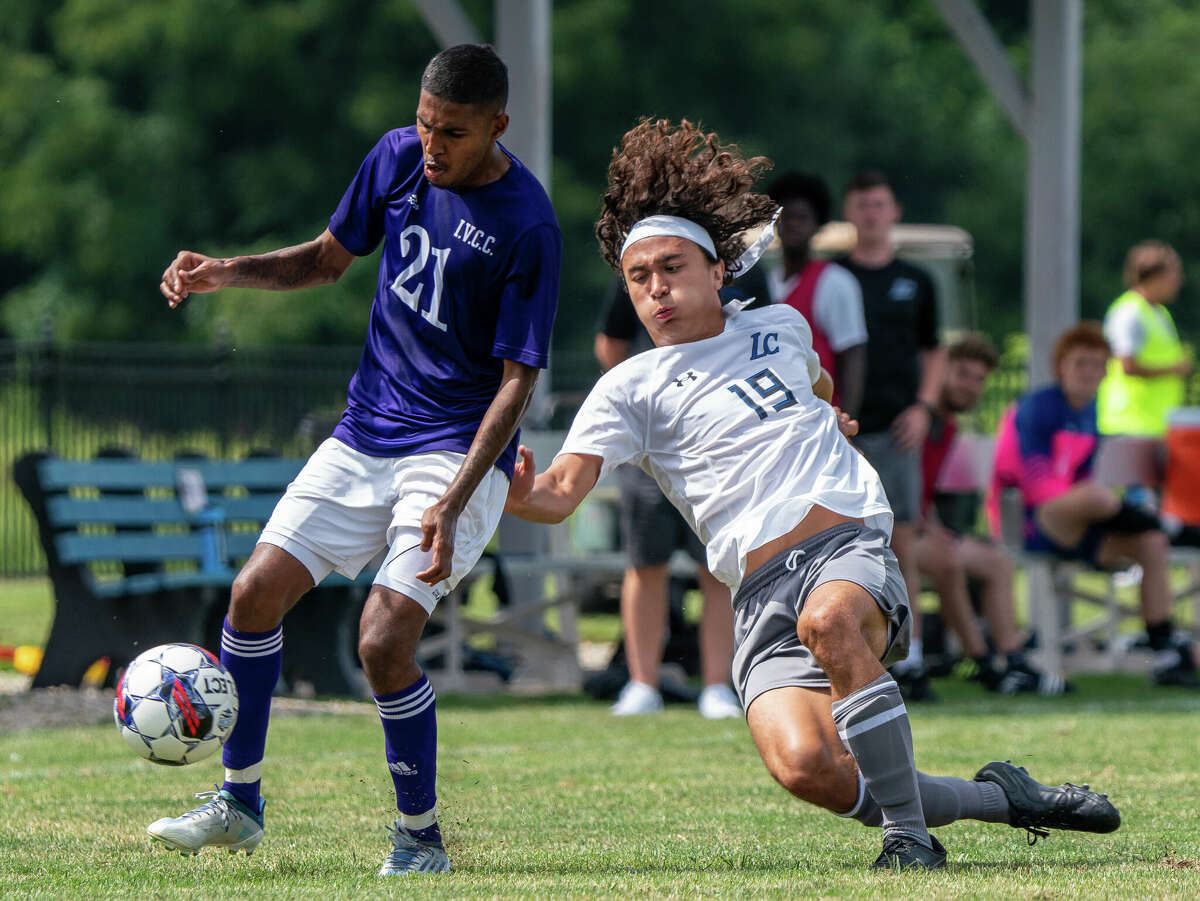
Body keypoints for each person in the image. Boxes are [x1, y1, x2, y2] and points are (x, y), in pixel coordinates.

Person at [505, 117, 1120, 870]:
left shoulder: (780, 326)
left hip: (845, 547)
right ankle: (1005, 797)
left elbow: (820, 385)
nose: (656, 287)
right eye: (639, 277)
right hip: (758, 596)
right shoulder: (627, 387)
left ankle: (908, 842)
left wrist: (828, 409)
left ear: (718, 269)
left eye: (672, 266)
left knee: (831, 620)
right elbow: (561, 493)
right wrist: (516, 489)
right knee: (811, 767)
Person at [150, 44, 562, 875]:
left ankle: (420, 838)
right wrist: (225, 272)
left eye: (452, 132)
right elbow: (325, 259)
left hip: (451, 450)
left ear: (497, 127)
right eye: (423, 122)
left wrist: (453, 497)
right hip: (366, 430)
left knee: (382, 639)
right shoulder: (397, 159)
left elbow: (518, 382)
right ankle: (239, 803)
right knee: (254, 592)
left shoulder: (529, 223)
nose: (432, 144)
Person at [992, 323, 1198, 687]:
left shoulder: (1090, 412)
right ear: (1062, 367)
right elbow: (1038, 485)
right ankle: (1166, 522)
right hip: (1037, 522)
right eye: (1080, 363)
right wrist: (1097, 502)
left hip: (1082, 524)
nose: (1089, 372)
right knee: (1098, 495)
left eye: (1097, 364)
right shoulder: (1036, 408)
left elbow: (1082, 475)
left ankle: (1165, 649)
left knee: (1151, 544)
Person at [595, 276, 761, 719]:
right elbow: (610, 344)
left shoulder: (747, 275)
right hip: (650, 445)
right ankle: (642, 683)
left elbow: (757, 347)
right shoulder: (638, 271)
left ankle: (717, 687)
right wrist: (639, 410)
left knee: (719, 568)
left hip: (719, 447)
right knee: (646, 563)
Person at [837, 170, 944, 700]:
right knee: (837, 542)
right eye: (862, 205)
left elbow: (933, 350)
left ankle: (913, 654)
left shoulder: (917, 281)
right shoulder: (834, 277)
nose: (872, 214)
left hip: (898, 429)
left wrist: (924, 407)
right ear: (849, 213)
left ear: (894, 211)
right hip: (840, 432)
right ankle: (850, 654)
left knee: (902, 541)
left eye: (880, 204)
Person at [917, 335, 1065, 695]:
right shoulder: (916, 417)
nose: (972, 386)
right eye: (963, 374)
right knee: (947, 559)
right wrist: (926, 527)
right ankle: (983, 665)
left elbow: (920, 493)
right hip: (887, 533)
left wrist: (933, 525)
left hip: (921, 529)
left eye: (979, 379)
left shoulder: (947, 426)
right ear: (941, 372)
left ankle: (1012, 661)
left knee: (997, 562)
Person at [766, 171, 867, 417]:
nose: (793, 224)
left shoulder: (836, 282)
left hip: (820, 416)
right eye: (786, 217)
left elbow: (853, 356)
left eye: (802, 218)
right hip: (775, 418)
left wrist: (846, 421)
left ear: (817, 224)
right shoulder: (767, 282)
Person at [1098, 241, 1189, 437]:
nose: (1179, 280)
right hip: (1129, 424)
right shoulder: (1130, 312)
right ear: (1154, 276)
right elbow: (1127, 366)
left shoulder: (1159, 312)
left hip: (1154, 424)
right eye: (1173, 273)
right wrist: (1174, 369)